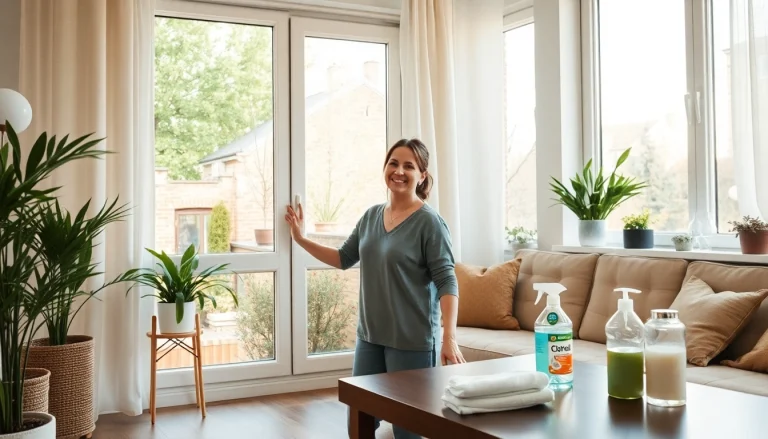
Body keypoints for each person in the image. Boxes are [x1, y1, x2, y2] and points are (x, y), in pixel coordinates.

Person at [285, 138, 465, 438]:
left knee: (407, 431)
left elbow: (447, 280)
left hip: (412, 341)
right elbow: (344, 258)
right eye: (393, 163)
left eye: (409, 166)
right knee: (359, 421)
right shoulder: (371, 216)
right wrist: (300, 239)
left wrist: (449, 337)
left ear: (422, 175)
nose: (399, 171)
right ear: (385, 168)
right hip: (370, 337)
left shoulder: (430, 224)